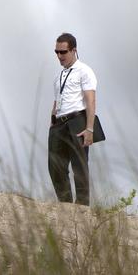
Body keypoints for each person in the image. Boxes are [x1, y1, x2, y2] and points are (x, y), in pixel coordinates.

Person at [48, 32, 100, 205]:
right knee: (55, 166)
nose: (59, 56)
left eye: (63, 52)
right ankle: (66, 204)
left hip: (77, 120)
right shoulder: (59, 76)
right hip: (59, 124)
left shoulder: (84, 71)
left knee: (79, 165)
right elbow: (57, 100)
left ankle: (83, 206)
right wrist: (52, 122)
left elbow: (91, 99)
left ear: (74, 50)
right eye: (57, 52)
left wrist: (90, 128)